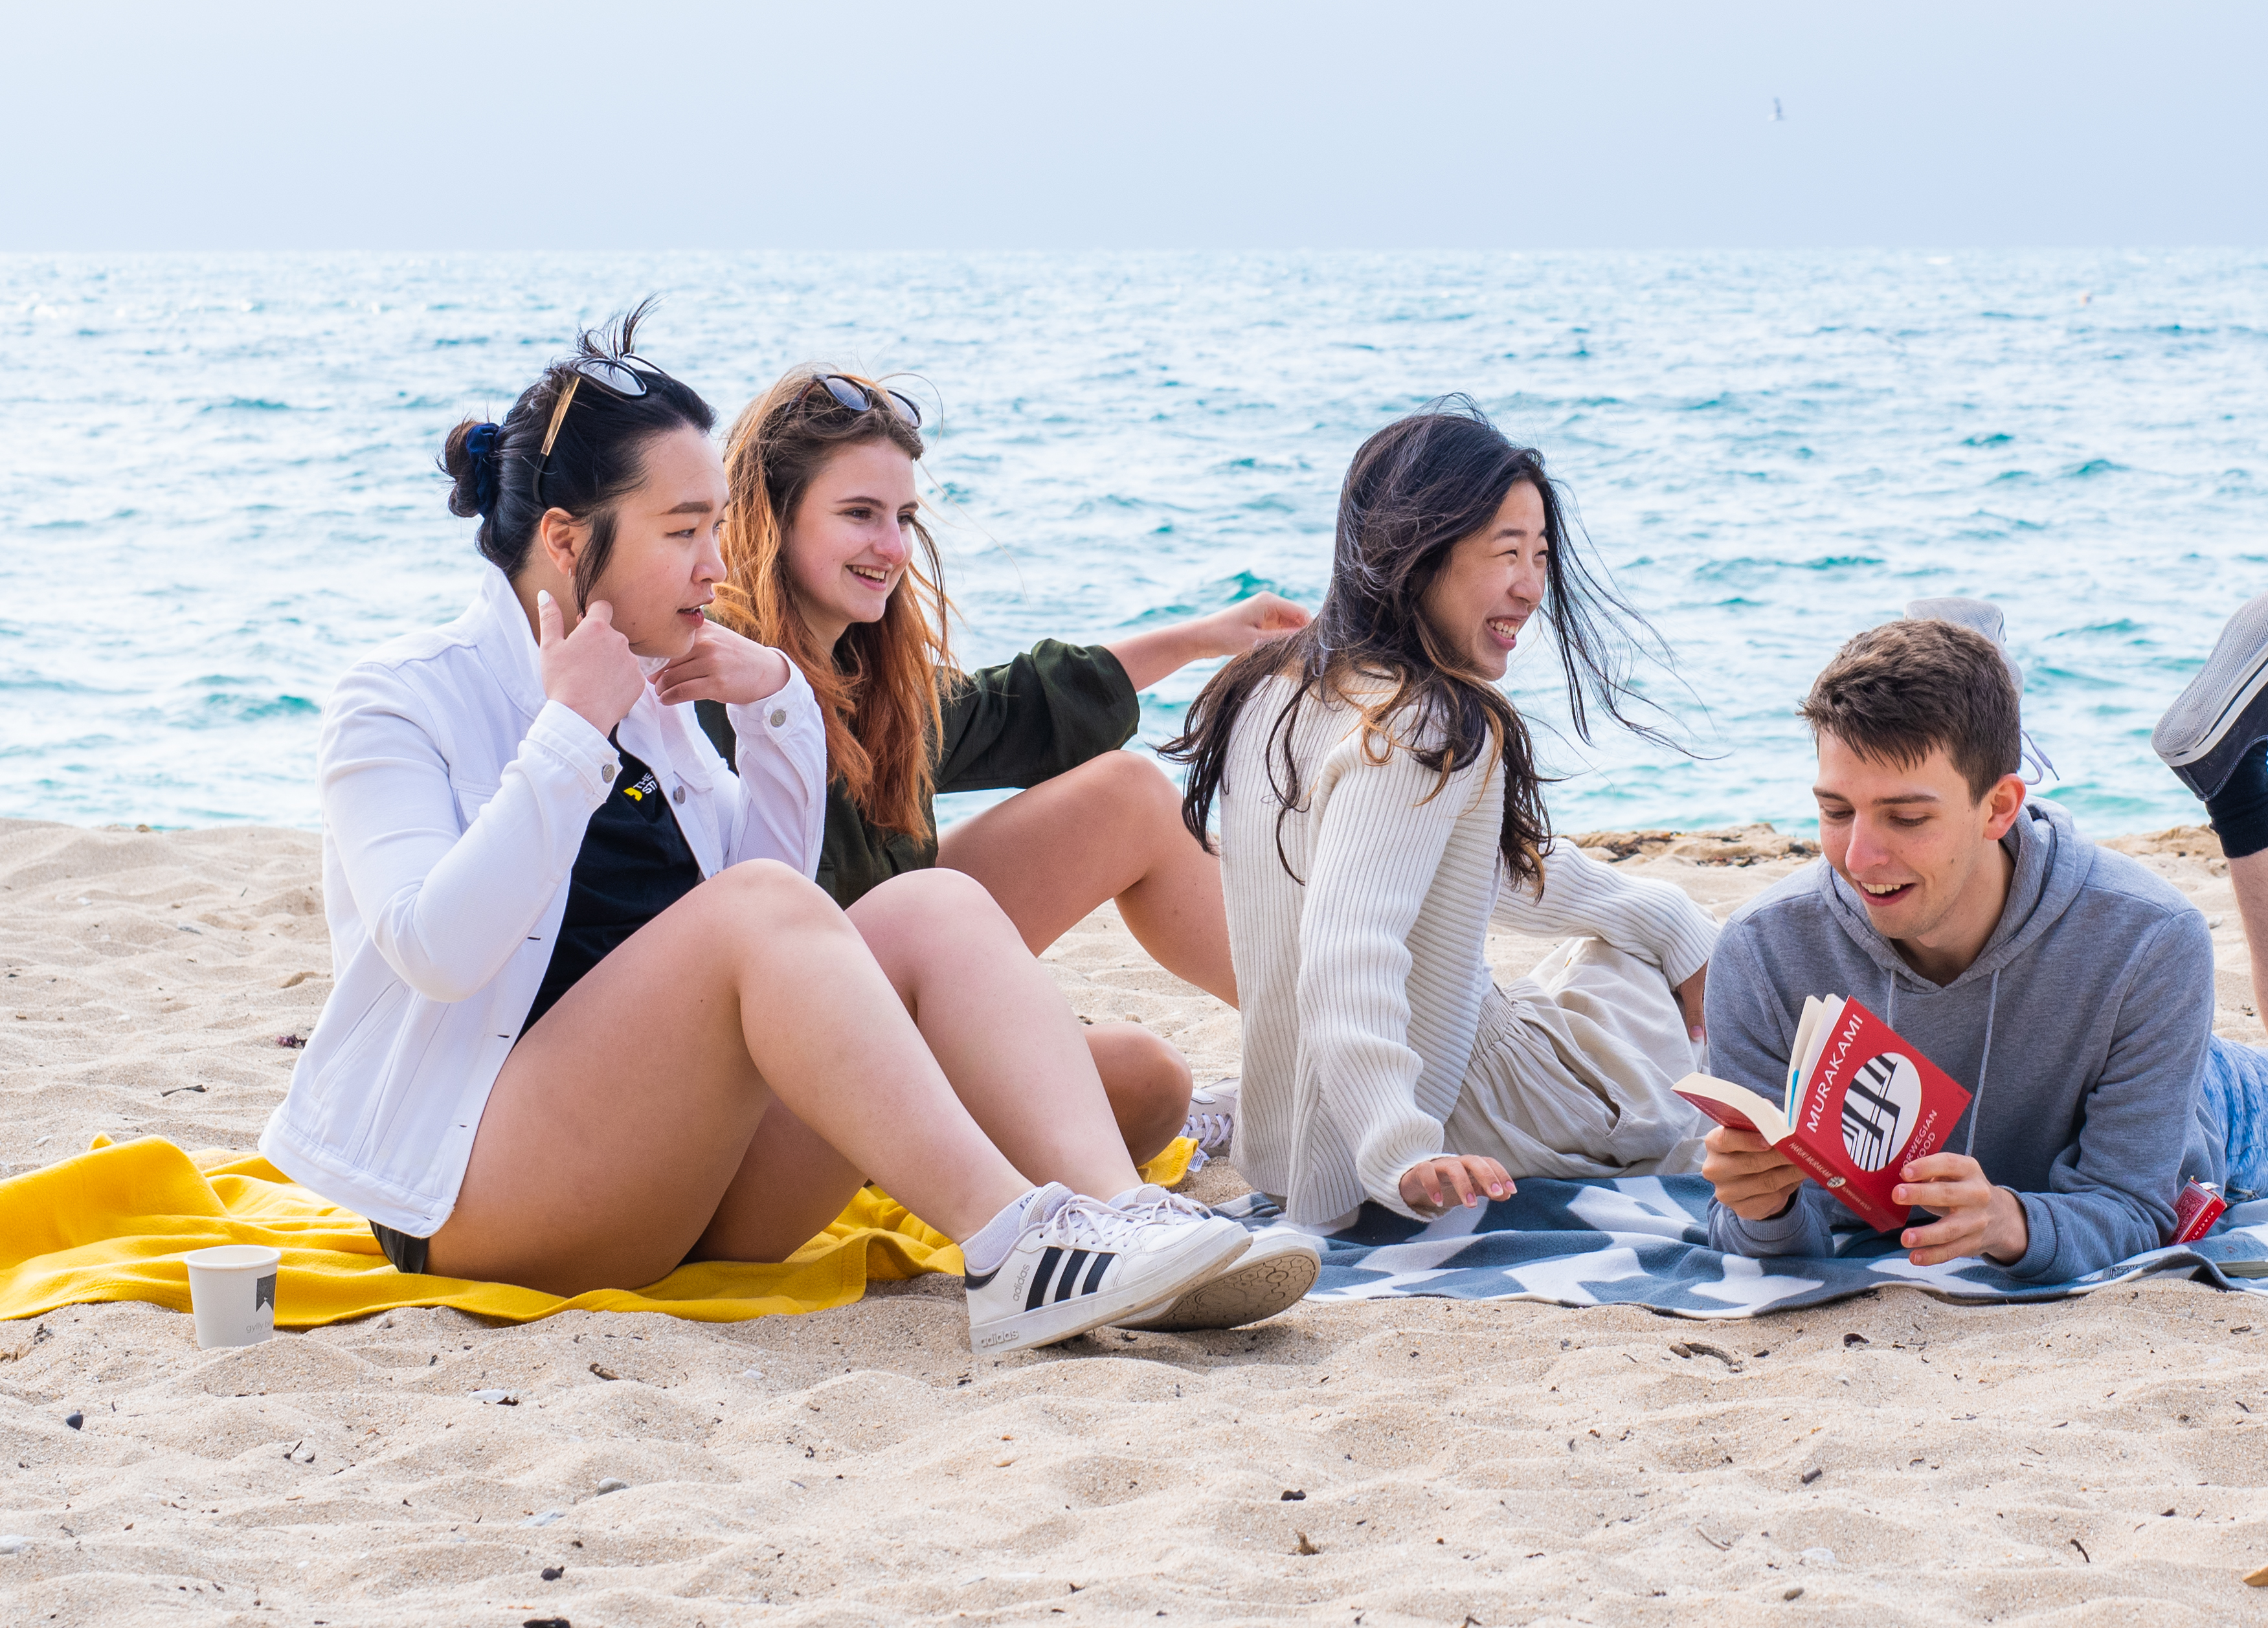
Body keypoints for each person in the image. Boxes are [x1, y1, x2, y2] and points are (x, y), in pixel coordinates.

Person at [261, 311, 1314, 1354]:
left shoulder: (658, 696)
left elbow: (783, 918)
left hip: (685, 1181)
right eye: (683, 532)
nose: (716, 566)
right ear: (568, 539)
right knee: (769, 912)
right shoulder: (401, 702)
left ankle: (1117, 1224)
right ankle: (1017, 1243)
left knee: (928, 903)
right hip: (485, 1198)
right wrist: (567, 733)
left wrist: (777, 709)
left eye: (714, 527)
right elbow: (435, 951)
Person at [1698, 579, 2268, 1277]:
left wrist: (2012, 1222)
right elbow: (1766, 1237)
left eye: (1907, 818)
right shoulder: (1763, 950)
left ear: (2001, 808)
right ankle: (1974, 683)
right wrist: (1765, 1211)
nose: (1859, 858)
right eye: (1836, 811)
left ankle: (2236, 780)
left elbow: (2132, 1206)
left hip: (2169, 1089)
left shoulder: (2147, 937)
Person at [701, 364, 1308, 1163]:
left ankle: (1330, 1047)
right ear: (771, 518)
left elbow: (1015, 709)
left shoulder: (864, 675)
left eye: (904, 517)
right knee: (1147, 1079)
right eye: (859, 514)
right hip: (802, 1061)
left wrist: (1203, 638)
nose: (892, 547)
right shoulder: (709, 676)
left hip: (899, 984)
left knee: (1127, 793)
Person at [1163, 402, 1718, 1232]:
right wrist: (1397, 1147)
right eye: (1506, 554)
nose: (1532, 586)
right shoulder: (1425, 725)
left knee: (1620, 950)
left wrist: (1671, 920)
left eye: (1539, 555)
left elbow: (1469, 874)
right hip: (1464, 1115)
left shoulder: (1271, 690)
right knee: (1660, 1017)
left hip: (1290, 1134)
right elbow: (1349, 947)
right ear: (1418, 553)